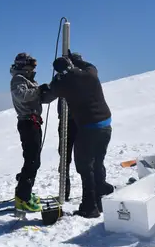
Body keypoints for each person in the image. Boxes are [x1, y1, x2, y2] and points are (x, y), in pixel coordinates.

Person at [45, 52, 114, 218]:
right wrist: (76, 59)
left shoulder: (64, 83)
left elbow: (49, 94)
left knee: (85, 166)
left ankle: (89, 207)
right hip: (105, 125)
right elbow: (89, 65)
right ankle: (99, 200)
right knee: (98, 162)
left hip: (88, 128)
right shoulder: (90, 74)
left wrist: (57, 79)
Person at [9, 52, 55, 212]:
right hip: (28, 123)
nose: (33, 68)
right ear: (24, 65)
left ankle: (24, 192)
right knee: (32, 161)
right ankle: (23, 198)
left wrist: (52, 90)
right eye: (31, 65)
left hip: (33, 122)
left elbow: (39, 98)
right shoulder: (18, 80)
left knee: (34, 160)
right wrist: (39, 90)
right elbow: (22, 96)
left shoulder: (28, 80)